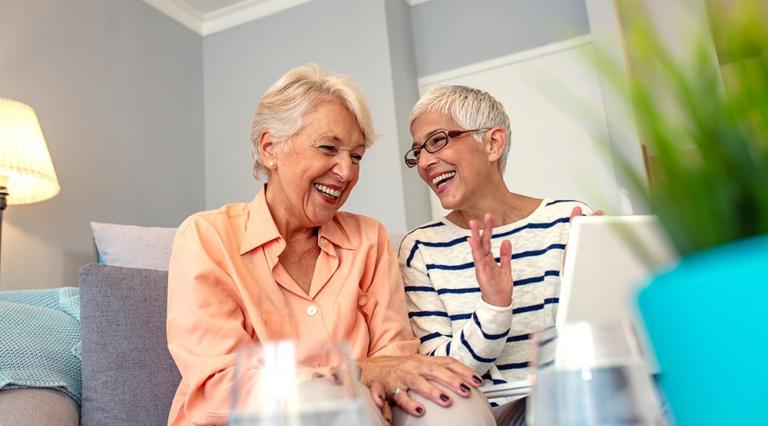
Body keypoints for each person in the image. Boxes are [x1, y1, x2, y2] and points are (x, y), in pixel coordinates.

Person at [166, 65, 495, 426]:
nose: (347, 171)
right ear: (270, 147)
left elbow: (396, 358)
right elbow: (220, 387)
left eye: (356, 156)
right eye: (328, 148)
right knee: (329, 405)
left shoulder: (369, 240)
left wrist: (381, 379)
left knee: (451, 401)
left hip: (368, 415)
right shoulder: (206, 239)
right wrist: (354, 373)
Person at [399, 85, 593, 425]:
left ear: (492, 143)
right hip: (492, 414)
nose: (426, 161)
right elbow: (439, 374)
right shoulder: (420, 249)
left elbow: (604, 341)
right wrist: (494, 308)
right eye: (418, 151)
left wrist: (589, 290)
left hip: (575, 398)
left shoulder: (569, 221)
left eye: (437, 141)